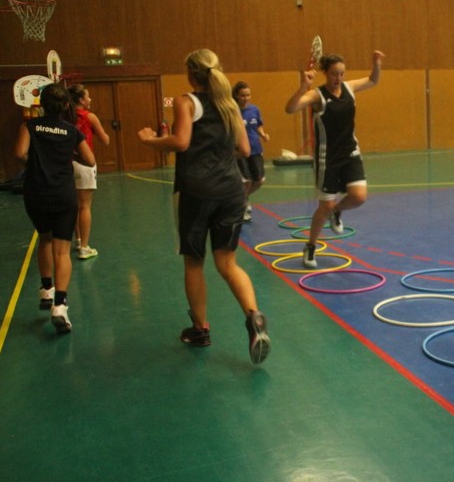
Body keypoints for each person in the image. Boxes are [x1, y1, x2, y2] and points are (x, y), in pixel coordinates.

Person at [138, 48, 270, 365]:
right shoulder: (230, 105)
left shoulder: (186, 101)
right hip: (231, 191)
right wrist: (218, 152)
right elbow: (243, 148)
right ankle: (254, 317)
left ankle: (200, 330)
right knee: (228, 263)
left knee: (194, 262)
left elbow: (181, 142)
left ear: (191, 74)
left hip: (197, 192)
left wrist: (150, 140)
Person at [285, 50, 385, 268]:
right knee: (325, 206)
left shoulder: (349, 88)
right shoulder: (317, 96)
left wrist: (376, 63)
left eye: (341, 74)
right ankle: (310, 246)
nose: (338, 78)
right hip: (327, 159)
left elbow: (373, 80)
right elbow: (290, 109)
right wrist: (303, 86)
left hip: (350, 153)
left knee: (358, 197)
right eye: (334, 74)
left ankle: (338, 211)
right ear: (326, 73)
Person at [15, 83, 96, 333]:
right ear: (66, 106)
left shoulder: (30, 126)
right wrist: (68, 156)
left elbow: (19, 153)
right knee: (62, 251)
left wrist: (37, 165)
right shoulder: (71, 131)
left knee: (45, 239)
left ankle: (46, 289)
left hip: (36, 193)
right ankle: (59, 305)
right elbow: (90, 160)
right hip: (62, 194)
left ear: (41, 104)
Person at [68, 84, 110, 259]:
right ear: (81, 100)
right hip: (84, 163)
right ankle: (84, 247)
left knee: (74, 204)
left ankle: (78, 240)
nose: (90, 99)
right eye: (88, 96)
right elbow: (105, 140)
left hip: (66, 164)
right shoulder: (89, 117)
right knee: (85, 205)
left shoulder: (65, 116)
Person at [232, 81, 269, 221]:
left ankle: (242, 199)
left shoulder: (254, 109)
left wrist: (263, 134)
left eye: (248, 95)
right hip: (241, 151)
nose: (246, 98)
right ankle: (242, 207)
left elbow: (258, 125)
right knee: (246, 181)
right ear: (236, 95)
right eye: (243, 95)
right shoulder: (233, 111)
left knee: (259, 180)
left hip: (255, 149)